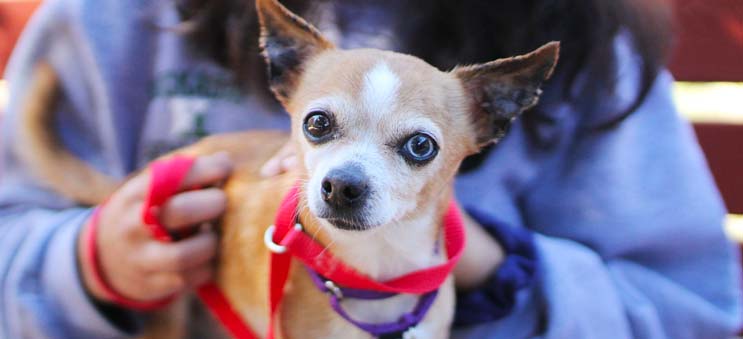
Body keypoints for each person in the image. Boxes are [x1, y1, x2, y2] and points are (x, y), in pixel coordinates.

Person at [0, 0, 740, 338]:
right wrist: (86, 265)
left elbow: (696, 316)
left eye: (414, 145)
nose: (346, 174)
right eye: (321, 127)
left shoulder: (585, 46)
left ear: (487, 121)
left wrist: (492, 265)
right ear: (286, 78)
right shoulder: (114, 19)